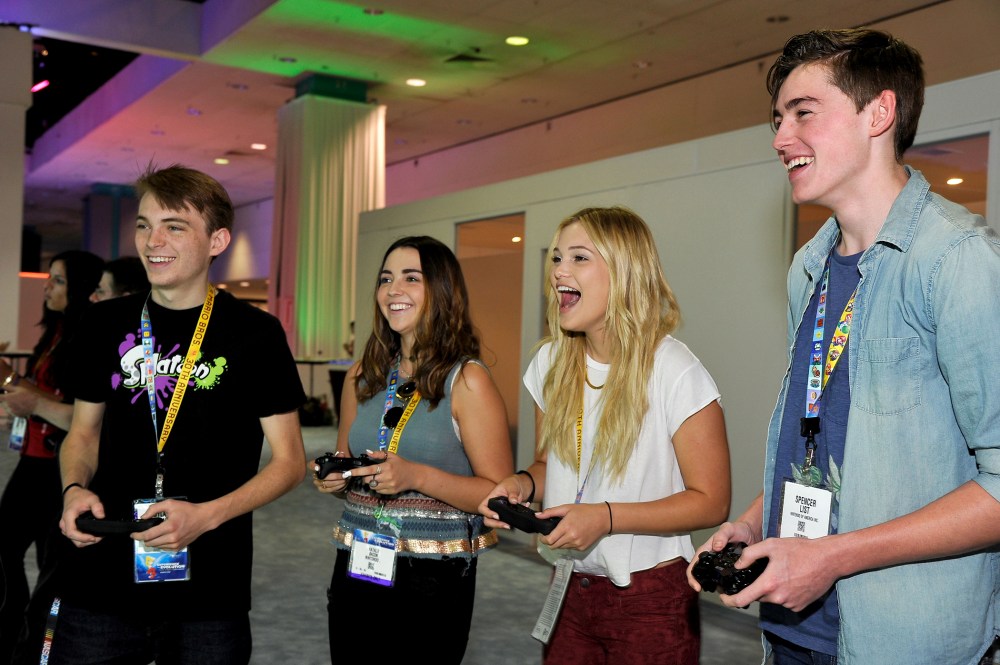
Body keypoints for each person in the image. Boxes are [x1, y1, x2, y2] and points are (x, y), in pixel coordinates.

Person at [687, 29, 1000, 665]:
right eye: (778, 119)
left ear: (878, 113)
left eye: (804, 112)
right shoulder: (810, 266)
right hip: (792, 627)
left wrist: (831, 556)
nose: (780, 139)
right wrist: (756, 519)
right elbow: (821, 438)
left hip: (903, 638)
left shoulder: (955, 260)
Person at [51, 164, 307, 664]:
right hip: (101, 573)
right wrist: (74, 487)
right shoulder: (103, 322)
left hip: (209, 589)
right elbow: (83, 434)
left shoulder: (255, 334)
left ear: (218, 240)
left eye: (175, 225)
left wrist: (207, 517)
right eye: (144, 224)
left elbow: (290, 462)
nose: (153, 240)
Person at [481, 206, 732, 664]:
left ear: (625, 272)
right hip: (571, 588)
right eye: (557, 258)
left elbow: (711, 500)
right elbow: (551, 465)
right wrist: (521, 485)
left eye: (579, 258)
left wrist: (606, 517)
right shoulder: (551, 364)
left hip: (652, 600)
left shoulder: (673, 369)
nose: (559, 271)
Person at [313, 235, 513, 664]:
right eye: (386, 279)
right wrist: (335, 476)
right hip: (359, 560)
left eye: (410, 278)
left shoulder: (467, 381)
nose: (393, 290)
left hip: (433, 579)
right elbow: (349, 462)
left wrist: (416, 476)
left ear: (441, 291)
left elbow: (499, 494)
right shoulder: (363, 376)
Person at [0, 251, 103, 664]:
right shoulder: (56, 333)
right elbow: (41, 396)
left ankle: (30, 642)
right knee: (12, 550)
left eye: (58, 281)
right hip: (33, 456)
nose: (47, 288)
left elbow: (74, 411)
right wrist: (10, 378)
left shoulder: (85, 336)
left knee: (50, 568)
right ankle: (19, 633)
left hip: (57, 464)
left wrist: (31, 400)